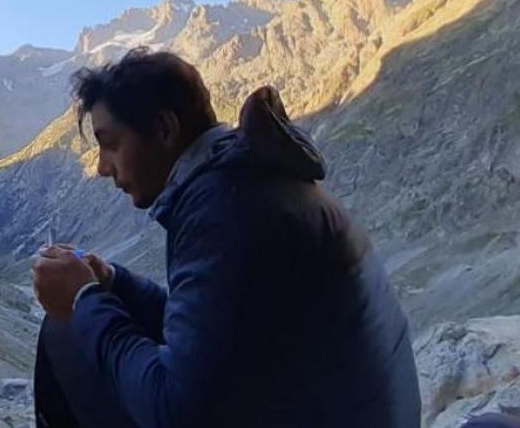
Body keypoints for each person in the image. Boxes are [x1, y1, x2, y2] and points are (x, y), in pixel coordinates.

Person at [31, 48, 421, 427]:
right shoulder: (240, 180)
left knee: (68, 332)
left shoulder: (224, 208)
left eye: (110, 144)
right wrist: (116, 284)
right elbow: (212, 332)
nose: (101, 167)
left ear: (165, 129)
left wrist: (86, 298)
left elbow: (173, 410)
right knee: (89, 319)